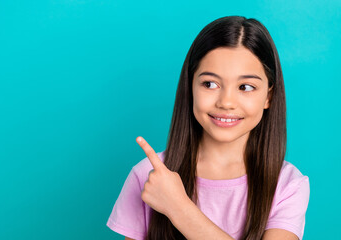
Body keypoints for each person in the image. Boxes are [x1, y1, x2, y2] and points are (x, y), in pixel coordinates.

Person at [106, 16, 310, 240]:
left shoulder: (288, 184)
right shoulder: (149, 177)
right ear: (190, 86)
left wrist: (179, 209)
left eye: (245, 87)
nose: (226, 102)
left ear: (268, 97)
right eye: (210, 84)